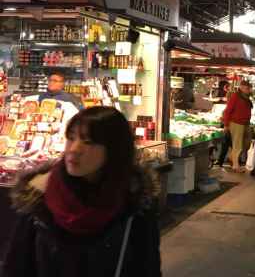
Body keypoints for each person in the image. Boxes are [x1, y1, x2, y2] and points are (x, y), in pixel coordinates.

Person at [1, 106, 161, 277]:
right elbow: (15, 267)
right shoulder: (38, 197)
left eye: (88, 141)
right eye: (71, 138)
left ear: (114, 149)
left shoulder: (134, 203)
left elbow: (147, 267)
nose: (74, 149)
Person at [222, 80, 253, 172]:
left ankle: (232, 159)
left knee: (243, 144)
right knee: (237, 145)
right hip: (236, 123)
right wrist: (226, 124)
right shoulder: (236, 96)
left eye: (249, 88)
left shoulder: (245, 97)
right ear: (242, 88)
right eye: (247, 88)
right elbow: (228, 110)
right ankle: (235, 165)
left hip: (244, 123)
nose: (249, 90)